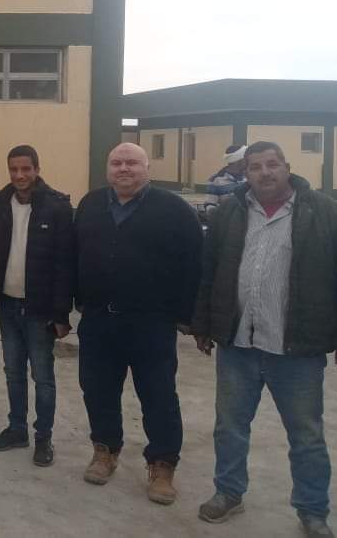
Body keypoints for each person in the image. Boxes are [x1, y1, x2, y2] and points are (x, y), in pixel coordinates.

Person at [193, 141, 337, 537]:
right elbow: (210, 272)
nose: (265, 172)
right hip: (239, 344)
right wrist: (204, 324)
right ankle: (228, 492)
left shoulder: (325, 213)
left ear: (287, 167)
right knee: (230, 427)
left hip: (296, 348)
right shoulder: (230, 212)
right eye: (255, 167)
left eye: (272, 164)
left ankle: (312, 510)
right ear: (246, 173)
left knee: (306, 434)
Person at [73, 142, 202, 504]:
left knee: (158, 396)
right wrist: (75, 300)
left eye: (132, 162)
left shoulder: (175, 210)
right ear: (107, 169)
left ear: (148, 168)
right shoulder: (90, 205)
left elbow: (194, 265)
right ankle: (105, 450)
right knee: (97, 391)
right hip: (99, 321)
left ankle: (162, 465)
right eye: (116, 162)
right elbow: (73, 255)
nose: (124, 168)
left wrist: (186, 316)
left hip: (151, 325)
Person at [0, 144, 75, 466]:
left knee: (43, 377)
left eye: (25, 169)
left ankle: (43, 437)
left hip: (40, 310)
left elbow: (64, 265)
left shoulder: (57, 206)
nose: (19, 175)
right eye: (14, 169)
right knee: (13, 372)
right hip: (8, 305)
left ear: (36, 169)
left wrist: (61, 315)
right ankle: (17, 429)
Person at [205, 144, 247, 208]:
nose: (247, 161)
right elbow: (209, 207)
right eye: (245, 159)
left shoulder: (248, 177)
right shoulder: (215, 180)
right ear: (238, 161)